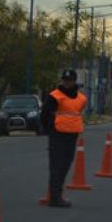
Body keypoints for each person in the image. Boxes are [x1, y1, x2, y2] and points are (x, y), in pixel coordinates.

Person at [40, 69, 87, 208]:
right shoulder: (54, 96)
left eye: (69, 80)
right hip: (57, 134)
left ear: (74, 81)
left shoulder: (81, 98)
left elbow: (77, 113)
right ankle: (55, 197)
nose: (67, 83)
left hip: (72, 134)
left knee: (66, 164)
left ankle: (56, 194)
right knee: (56, 166)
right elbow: (44, 114)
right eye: (65, 80)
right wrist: (49, 130)